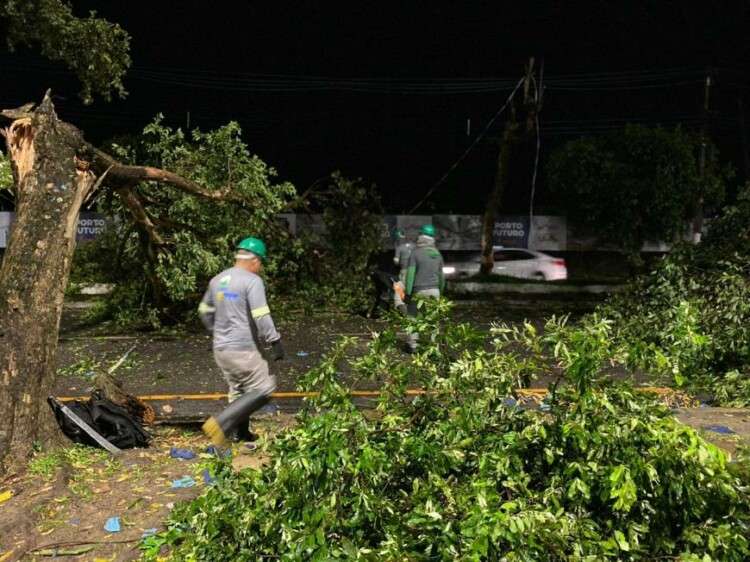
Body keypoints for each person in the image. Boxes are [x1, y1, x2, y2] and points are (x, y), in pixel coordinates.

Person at [198, 237, 284, 445]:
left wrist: (217, 332)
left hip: (222, 349)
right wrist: (275, 340)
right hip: (243, 348)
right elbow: (261, 314)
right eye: (260, 262)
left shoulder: (217, 279)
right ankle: (219, 424)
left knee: (238, 389)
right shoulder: (252, 281)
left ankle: (241, 434)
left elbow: (204, 311)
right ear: (254, 261)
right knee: (264, 388)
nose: (260, 267)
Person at [404, 224, 445, 352]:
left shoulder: (415, 253)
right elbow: (442, 277)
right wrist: (440, 292)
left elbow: (410, 275)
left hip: (418, 290)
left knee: (413, 317)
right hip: (435, 291)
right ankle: (433, 347)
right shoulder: (438, 254)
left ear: (420, 236)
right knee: (433, 320)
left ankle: (413, 345)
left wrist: (408, 293)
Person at [392, 228, 414, 315]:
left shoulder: (399, 248)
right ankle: (416, 313)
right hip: (414, 272)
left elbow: (396, 261)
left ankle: (405, 313)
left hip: (404, 271)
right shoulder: (414, 246)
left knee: (398, 290)